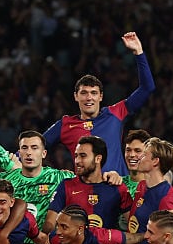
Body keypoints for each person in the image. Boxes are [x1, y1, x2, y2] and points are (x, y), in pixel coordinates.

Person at [42, 32, 155, 175]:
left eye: (94, 93)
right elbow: (36, 145)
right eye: (84, 93)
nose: (89, 98)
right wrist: (16, 161)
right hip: (84, 188)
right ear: (76, 96)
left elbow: (147, 88)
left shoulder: (115, 113)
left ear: (101, 96)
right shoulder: (65, 124)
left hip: (118, 187)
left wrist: (139, 52)